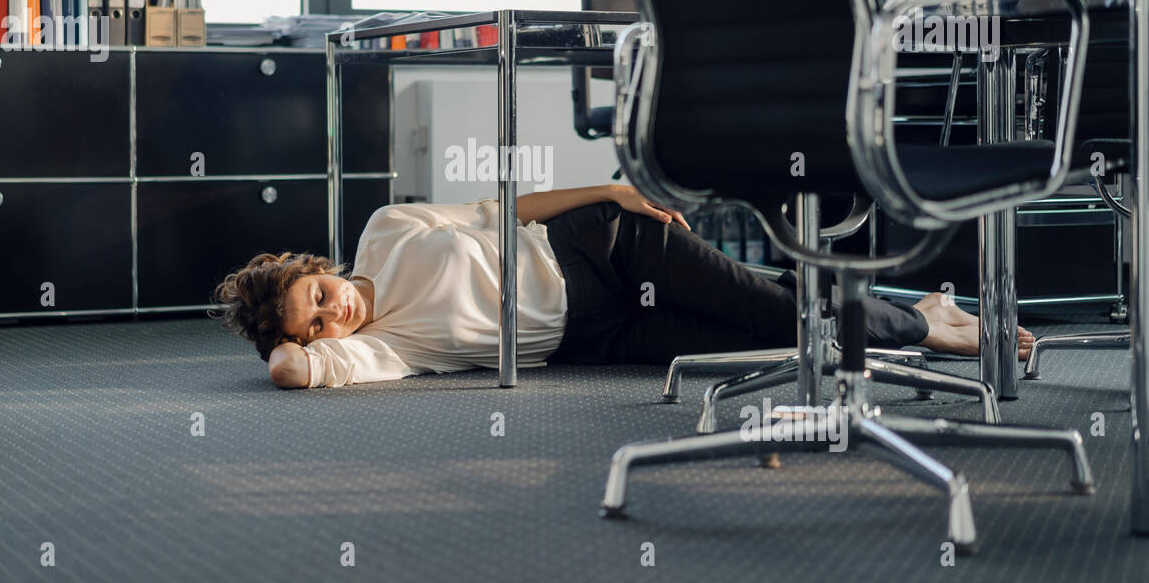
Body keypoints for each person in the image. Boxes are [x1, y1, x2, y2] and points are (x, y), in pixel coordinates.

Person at [210, 184, 1033, 389]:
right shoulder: (381, 350)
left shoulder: (387, 228)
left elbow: (504, 205)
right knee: (769, 336)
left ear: (320, 267)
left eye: (319, 294)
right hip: (592, 338)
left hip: (602, 250)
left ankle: (931, 328)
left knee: (772, 302)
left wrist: (614, 194)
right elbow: (291, 373)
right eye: (316, 324)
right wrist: (291, 346)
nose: (334, 312)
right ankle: (918, 307)